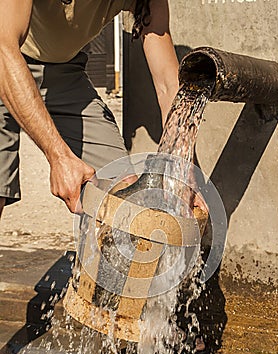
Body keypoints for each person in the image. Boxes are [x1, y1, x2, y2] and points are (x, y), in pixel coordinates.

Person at [0, 0, 179, 216]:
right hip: (5, 57)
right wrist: (59, 156)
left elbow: (168, 86)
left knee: (123, 196)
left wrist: (183, 170)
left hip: (63, 72)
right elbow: (4, 49)